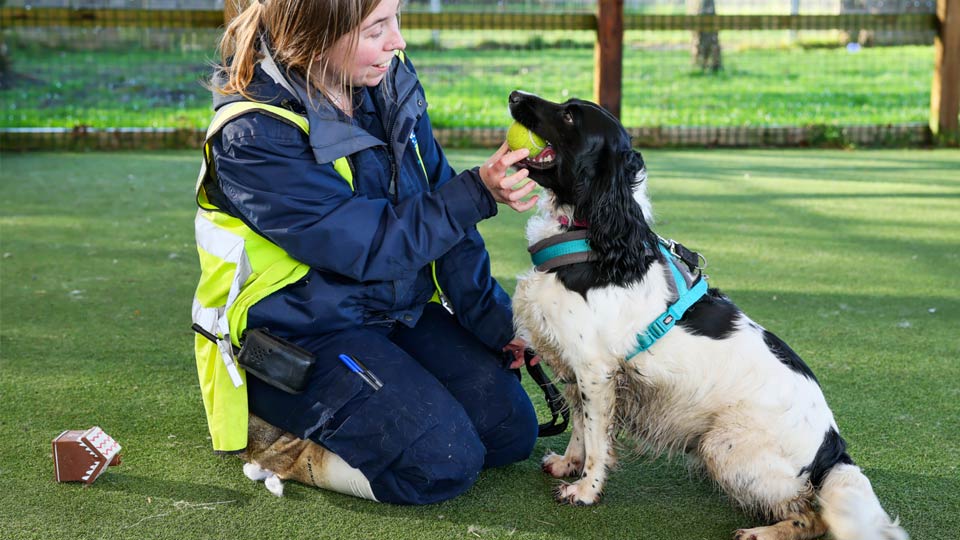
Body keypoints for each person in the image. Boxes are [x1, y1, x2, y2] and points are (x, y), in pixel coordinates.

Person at [191, 0, 541, 505]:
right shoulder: (254, 135)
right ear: (316, 33)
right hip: (297, 334)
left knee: (509, 433)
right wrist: (477, 194)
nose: (398, 41)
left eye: (396, 19)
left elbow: (436, 200)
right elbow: (370, 245)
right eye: (377, 27)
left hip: (387, 310)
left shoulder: (385, 80)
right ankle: (283, 441)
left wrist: (496, 323)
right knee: (440, 464)